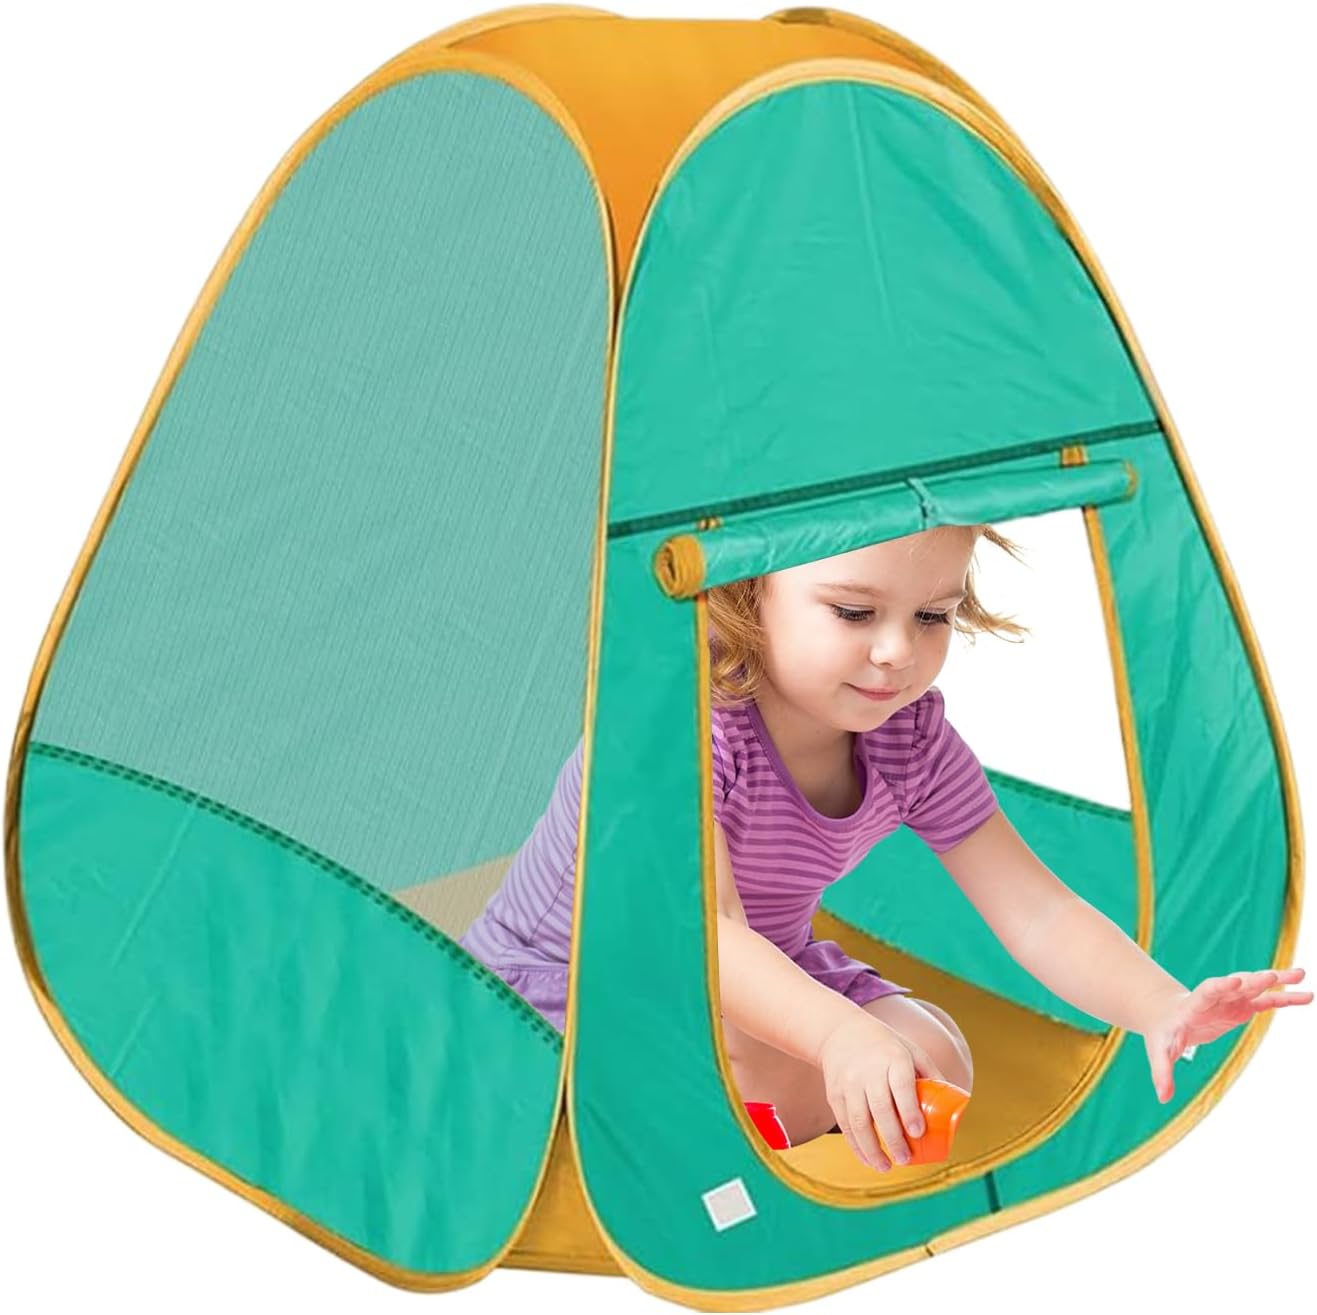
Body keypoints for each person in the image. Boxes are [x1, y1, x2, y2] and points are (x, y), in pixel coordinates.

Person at [459, 523, 1311, 1171]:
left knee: (934, 1057)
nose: (897, 651)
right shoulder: (679, 729)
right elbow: (707, 938)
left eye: (931, 615)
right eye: (854, 611)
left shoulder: (908, 742)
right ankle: (714, 1125)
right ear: (747, 590)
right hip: (580, 983)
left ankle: (747, 1123)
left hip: (765, 972)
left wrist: (1157, 1005)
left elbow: (1036, 911)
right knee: (756, 1049)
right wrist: (838, 1037)